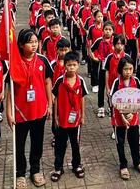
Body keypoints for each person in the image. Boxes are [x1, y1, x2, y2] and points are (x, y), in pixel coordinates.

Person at [6, 29, 52, 189]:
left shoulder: (43, 61)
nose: (34, 45)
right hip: (20, 113)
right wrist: (9, 112)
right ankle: (20, 174)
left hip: (39, 110)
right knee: (19, 144)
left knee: (37, 143)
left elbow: (47, 83)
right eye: (30, 42)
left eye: (35, 42)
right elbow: (9, 90)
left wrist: (50, 105)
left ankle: (35, 170)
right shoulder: (15, 63)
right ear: (20, 44)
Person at [50, 52, 88, 182]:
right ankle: (58, 167)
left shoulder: (81, 81)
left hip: (75, 121)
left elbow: (82, 99)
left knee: (75, 144)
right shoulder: (60, 81)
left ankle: (76, 165)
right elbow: (55, 99)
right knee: (60, 145)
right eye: (69, 65)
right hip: (62, 120)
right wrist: (55, 116)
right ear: (64, 66)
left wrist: (83, 115)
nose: (71, 67)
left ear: (78, 66)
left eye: (74, 65)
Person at [110, 55, 140, 180]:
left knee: (135, 141)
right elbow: (113, 101)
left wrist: (134, 111)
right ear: (121, 69)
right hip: (119, 119)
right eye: (126, 69)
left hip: (134, 118)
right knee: (120, 142)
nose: (128, 72)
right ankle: (123, 165)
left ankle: (137, 162)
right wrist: (122, 116)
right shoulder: (117, 82)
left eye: (130, 69)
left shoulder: (136, 81)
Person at [90, 22, 114, 118]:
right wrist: (94, 58)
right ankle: (101, 107)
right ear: (103, 30)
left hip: (112, 69)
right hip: (102, 68)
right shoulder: (99, 41)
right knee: (101, 88)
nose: (107, 31)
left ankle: (111, 106)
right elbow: (91, 49)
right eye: (106, 29)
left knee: (111, 88)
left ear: (113, 31)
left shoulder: (115, 40)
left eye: (110, 30)